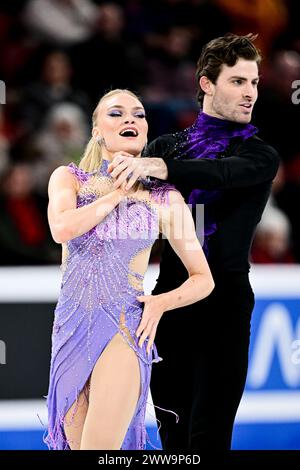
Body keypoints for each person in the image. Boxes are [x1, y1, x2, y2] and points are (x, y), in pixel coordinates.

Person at [108, 34, 280, 450]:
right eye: (238, 81)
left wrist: (161, 167)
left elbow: (219, 175)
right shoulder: (166, 146)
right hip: (167, 306)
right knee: (174, 440)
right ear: (206, 83)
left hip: (225, 307)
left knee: (207, 440)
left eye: (254, 82)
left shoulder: (259, 156)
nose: (250, 93)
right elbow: (127, 218)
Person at [43, 89, 214, 450]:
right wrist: (118, 193)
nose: (130, 120)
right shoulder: (68, 178)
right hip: (71, 328)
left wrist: (159, 303)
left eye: (138, 114)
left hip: (124, 327)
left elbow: (204, 278)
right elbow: (62, 228)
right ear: (97, 130)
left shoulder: (165, 198)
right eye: (117, 114)